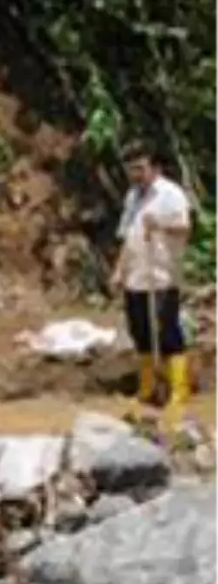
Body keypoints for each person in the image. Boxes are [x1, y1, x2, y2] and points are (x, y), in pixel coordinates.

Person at [109, 141, 193, 430]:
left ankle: (179, 390)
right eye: (131, 169)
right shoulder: (132, 197)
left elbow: (185, 228)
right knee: (140, 329)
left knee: (167, 330)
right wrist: (118, 270)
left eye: (140, 168)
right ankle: (147, 387)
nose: (135, 174)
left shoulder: (171, 195)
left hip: (162, 275)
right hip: (136, 275)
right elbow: (126, 236)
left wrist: (160, 225)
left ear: (154, 168)